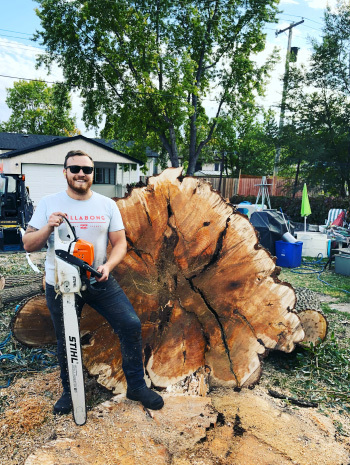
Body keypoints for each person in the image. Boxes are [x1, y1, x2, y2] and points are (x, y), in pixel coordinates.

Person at [23, 150, 164, 414]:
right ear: (64, 172)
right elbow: (29, 244)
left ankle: (136, 385)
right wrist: (48, 227)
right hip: (61, 285)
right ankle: (71, 392)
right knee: (67, 339)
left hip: (97, 279)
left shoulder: (106, 205)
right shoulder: (48, 203)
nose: (81, 174)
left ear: (92, 173)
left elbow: (120, 243)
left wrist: (108, 266)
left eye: (87, 170)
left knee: (130, 324)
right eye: (74, 168)